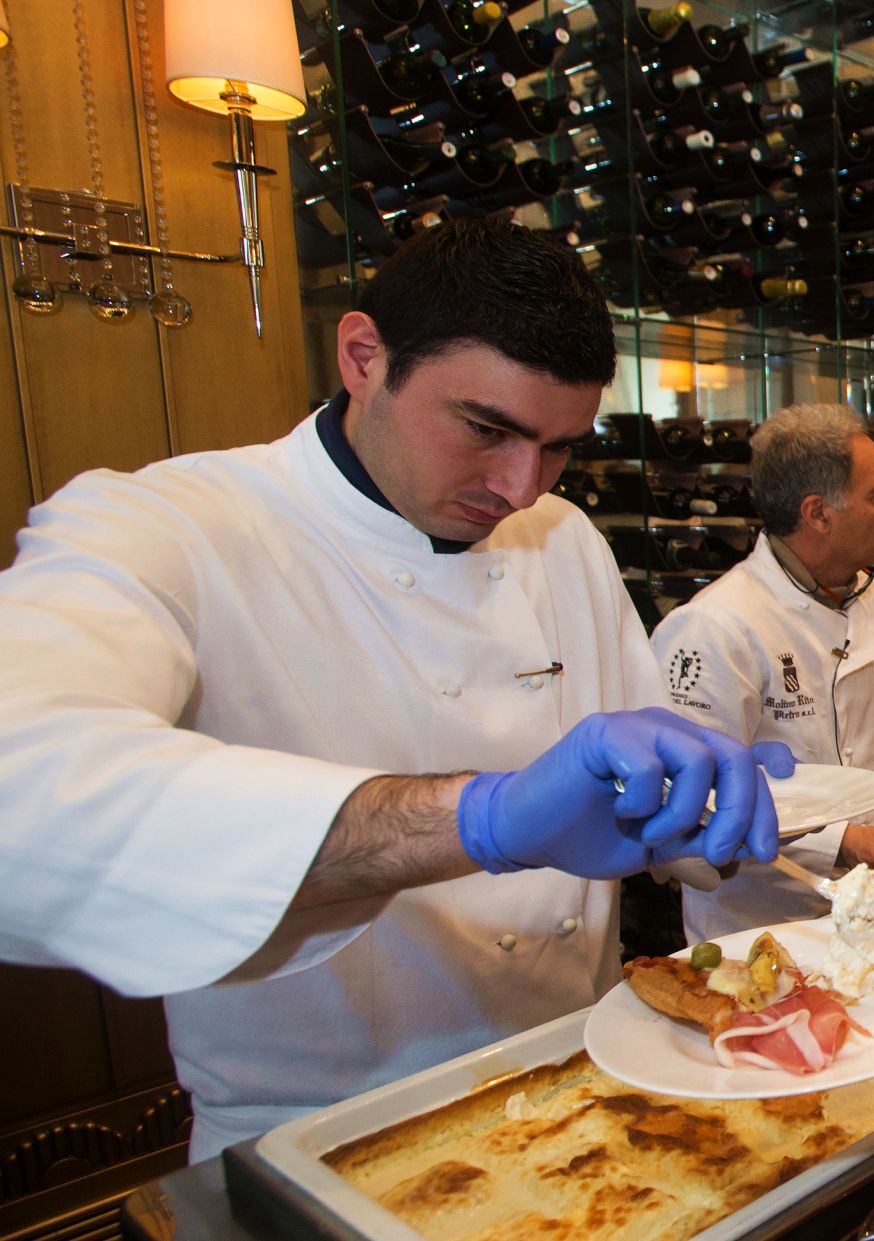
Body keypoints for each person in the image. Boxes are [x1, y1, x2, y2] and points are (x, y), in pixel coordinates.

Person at [0, 219, 791, 1159]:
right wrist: (482, 819)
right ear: (364, 357)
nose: (521, 487)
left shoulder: (564, 538)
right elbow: (24, 797)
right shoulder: (163, 527)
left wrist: (705, 814)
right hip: (317, 1137)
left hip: (579, 1084)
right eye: (486, 429)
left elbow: (646, 802)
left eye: (559, 448)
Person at [650, 403, 874, 942]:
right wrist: (840, 841)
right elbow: (686, 807)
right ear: (818, 513)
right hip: (764, 932)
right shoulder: (714, 627)